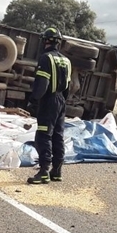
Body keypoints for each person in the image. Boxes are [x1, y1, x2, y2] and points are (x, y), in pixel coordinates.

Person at [27, 27, 71, 184]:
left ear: (45, 41)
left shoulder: (46, 58)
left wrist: (33, 100)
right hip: (61, 101)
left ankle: (44, 171)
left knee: (43, 135)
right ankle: (57, 171)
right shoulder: (66, 60)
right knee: (58, 136)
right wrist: (62, 103)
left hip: (49, 100)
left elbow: (42, 84)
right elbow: (68, 86)